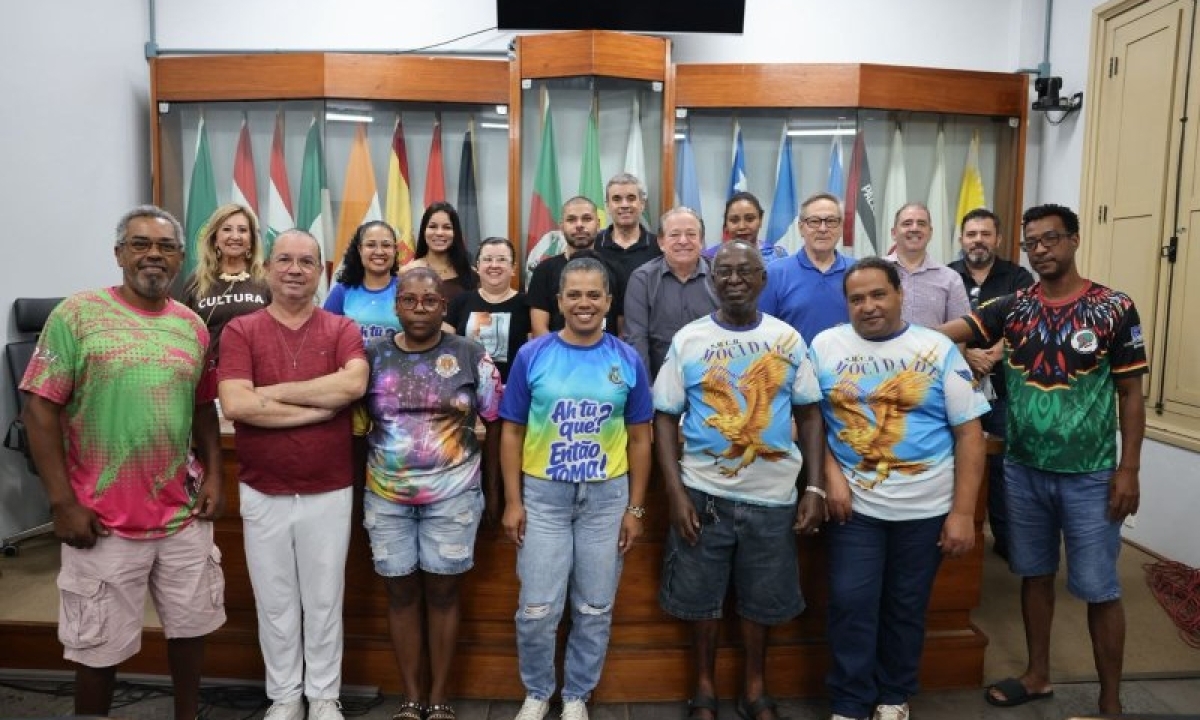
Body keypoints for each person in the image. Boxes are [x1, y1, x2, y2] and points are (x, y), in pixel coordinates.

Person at [939, 204, 1147, 715]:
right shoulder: (1012, 307)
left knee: (1099, 588)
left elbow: (1131, 396)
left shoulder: (1114, 308)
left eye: (1051, 239)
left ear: (1074, 239)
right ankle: (1036, 676)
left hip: (1091, 474)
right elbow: (941, 334)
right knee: (1033, 574)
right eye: (1031, 243)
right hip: (1024, 468)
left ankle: (1111, 702)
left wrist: (1129, 470)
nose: (1040, 250)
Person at [20, 205, 225, 719]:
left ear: (180, 258)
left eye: (165, 246)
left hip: (181, 515)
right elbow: (39, 411)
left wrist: (215, 476)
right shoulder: (76, 316)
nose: (153, 254)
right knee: (98, 647)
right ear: (118, 254)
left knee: (191, 629)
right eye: (140, 244)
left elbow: (203, 408)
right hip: (102, 517)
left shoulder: (193, 327)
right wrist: (61, 503)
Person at [653, 241, 825, 720]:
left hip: (773, 498)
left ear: (762, 279)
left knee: (762, 600)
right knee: (699, 600)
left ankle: (755, 687)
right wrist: (674, 492)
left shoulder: (787, 339)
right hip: (704, 496)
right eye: (724, 271)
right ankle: (703, 688)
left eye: (745, 271)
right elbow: (664, 417)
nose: (734, 279)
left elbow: (810, 415)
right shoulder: (689, 339)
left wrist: (814, 487)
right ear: (712, 280)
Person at [809, 257, 987, 720]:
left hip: (926, 509)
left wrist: (962, 513)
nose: (868, 306)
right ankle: (850, 701)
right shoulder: (825, 346)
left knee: (906, 607)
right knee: (851, 603)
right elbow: (810, 422)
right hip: (855, 510)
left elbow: (970, 434)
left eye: (878, 295)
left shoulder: (937, 348)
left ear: (900, 294)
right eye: (857, 298)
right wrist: (830, 476)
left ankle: (893, 696)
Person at [218, 229, 369, 720]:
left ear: (321, 271)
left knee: (324, 599)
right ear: (267, 268)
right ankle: (285, 696)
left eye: (306, 261)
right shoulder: (241, 330)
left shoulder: (342, 328)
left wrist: (270, 394)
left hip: (329, 486)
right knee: (275, 600)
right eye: (284, 259)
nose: (295, 270)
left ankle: (323, 696)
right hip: (262, 486)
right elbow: (236, 403)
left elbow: (353, 385)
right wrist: (316, 408)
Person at [500, 257, 653, 720]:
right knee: (537, 608)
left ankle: (575, 696)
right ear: (559, 301)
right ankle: (537, 692)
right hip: (543, 497)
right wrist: (512, 501)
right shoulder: (533, 355)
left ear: (608, 301)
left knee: (594, 607)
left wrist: (636, 509)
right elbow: (511, 432)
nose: (584, 303)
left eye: (593, 295)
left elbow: (640, 438)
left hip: (606, 500)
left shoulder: (627, 359)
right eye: (574, 295)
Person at [362, 266, 503, 720]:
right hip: (386, 495)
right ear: (396, 306)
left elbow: (496, 422)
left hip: (454, 493)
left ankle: (439, 697)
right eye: (409, 300)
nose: (419, 309)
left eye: (429, 301)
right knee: (400, 593)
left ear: (444, 307)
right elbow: (357, 426)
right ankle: (411, 698)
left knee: (443, 593)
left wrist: (495, 490)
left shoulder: (470, 354)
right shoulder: (372, 356)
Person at [946, 208, 1034, 560]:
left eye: (985, 234)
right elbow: (946, 326)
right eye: (971, 234)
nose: (978, 240)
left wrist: (992, 356)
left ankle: (1006, 541)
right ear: (961, 239)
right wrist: (968, 356)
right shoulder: (948, 275)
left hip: (1003, 389)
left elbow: (1026, 324)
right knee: (956, 460)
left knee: (1002, 467)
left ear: (998, 239)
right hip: (957, 386)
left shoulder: (1018, 277)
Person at [181, 203, 272, 395]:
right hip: (209, 381)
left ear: (251, 240)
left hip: (258, 380)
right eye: (227, 229)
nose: (235, 236)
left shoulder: (266, 280)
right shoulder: (196, 281)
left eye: (243, 230)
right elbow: (184, 333)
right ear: (215, 238)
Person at [624, 206, 718, 379]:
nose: (683, 241)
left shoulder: (719, 276)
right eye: (674, 235)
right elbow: (637, 339)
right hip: (659, 382)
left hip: (713, 381)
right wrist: (646, 388)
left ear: (701, 241)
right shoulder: (642, 279)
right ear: (661, 242)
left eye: (691, 234)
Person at [758, 192, 852, 343]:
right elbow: (763, 332)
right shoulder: (775, 273)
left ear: (841, 227)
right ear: (801, 228)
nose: (823, 229)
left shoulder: (857, 272)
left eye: (831, 221)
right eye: (814, 221)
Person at [527, 196, 622, 338]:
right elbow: (539, 329)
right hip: (556, 351)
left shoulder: (616, 270)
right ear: (561, 226)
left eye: (586, 219)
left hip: (607, 351)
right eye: (571, 219)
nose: (579, 225)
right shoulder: (544, 271)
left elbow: (623, 330)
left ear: (598, 224)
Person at [446, 236, 532, 382]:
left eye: (502, 259)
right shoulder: (460, 301)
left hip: (513, 386)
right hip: (466, 386)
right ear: (477, 267)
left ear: (513, 268)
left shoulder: (527, 304)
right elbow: (445, 349)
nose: (494, 265)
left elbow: (534, 352)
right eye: (487, 259)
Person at [885, 203, 971, 327]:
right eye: (907, 223)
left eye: (921, 224)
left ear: (930, 233)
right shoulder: (875, 272)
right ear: (894, 233)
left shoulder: (950, 279)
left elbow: (961, 330)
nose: (914, 228)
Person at [325, 220, 403, 343]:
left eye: (386, 245)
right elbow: (325, 337)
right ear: (360, 249)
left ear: (394, 250)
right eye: (371, 245)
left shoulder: (406, 289)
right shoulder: (341, 292)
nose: (379, 252)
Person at [593, 173, 662, 287]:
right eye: (617, 199)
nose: (624, 205)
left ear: (642, 204)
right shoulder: (593, 245)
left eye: (631, 198)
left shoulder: (659, 246)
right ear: (608, 206)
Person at [403, 201, 478, 306]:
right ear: (424, 231)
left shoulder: (471, 274)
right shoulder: (407, 272)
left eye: (447, 227)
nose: (439, 233)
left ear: (455, 233)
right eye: (433, 226)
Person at [702, 191, 788, 261]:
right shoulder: (709, 259)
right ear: (726, 224)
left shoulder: (778, 257)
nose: (742, 226)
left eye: (749, 219)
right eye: (734, 220)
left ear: (760, 220)